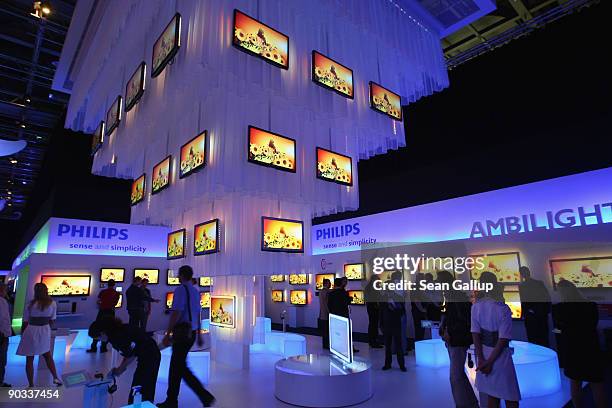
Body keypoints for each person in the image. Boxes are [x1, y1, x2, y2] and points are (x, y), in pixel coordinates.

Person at [157, 265, 215, 408]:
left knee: (178, 368)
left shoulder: (180, 290)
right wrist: (199, 334)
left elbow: (176, 313)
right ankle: (176, 400)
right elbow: (197, 313)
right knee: (179, 367)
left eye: (178, 274)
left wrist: (168, 333)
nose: (177, 277)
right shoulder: (195, 291)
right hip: (192, 333)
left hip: (182, 334)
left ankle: (200, 396)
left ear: (182, 275)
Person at [553, 280, 607, 408]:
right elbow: (593, 325)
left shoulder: (560, 308)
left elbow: (561, 328)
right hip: (591, 349)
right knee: (597, 384)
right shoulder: (591, 305)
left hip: (573, 351)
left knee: (575, 383)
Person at [471, 272, 520, 408]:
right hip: (500, 356)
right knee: (510, 395)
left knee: (492, 393)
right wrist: (490, 362)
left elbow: (475, 334)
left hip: (484, 354)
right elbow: (503, 339)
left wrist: (481, 359)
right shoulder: (503, 309)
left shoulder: (475, 307)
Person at [89, 316, 161, 404]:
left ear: (102, 333)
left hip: (149, 356)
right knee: (146, 386)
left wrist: (120, 369)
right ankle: (143, 403)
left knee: (139, 387)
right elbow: (130, 351)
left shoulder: (116, 338)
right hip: (151, 353)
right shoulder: (119, 330)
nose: (100, 341)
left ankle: (136, 404)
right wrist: (120, 368)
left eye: (98, 339)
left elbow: (130, 354)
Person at [437, 271, 478, 408]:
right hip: (454, 341)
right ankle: (471, 403)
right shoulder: (453, 297)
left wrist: (450, 332)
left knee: (455, 376)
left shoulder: (455, 298)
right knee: (459, 374)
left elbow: (463, 322)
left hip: (457, 341)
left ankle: (463, 404)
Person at [16, 283, 63, 387]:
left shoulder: (30, 304)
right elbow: (52, 320)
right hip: (45, 330)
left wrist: (22, 334)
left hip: (31, 331)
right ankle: (55, 378)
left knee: (29, 358)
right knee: (48, 356)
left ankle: (31, 384)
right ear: (46, 290)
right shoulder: (52, 303)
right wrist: (45, 327)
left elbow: (25, 321)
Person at [518, 266, 551, 347]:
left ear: (521, 274)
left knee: (532, 340)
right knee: (544, 340)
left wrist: (523, 314)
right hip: (541, 315)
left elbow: (524, 301)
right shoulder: (539, 283)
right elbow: (547, 297)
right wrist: (546, 311)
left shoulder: (522, 286)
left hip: (531, 317)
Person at [381, 271, 406, 371]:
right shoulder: (384, 297)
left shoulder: (399, 295)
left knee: (396, 344)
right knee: (389, 345)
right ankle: (389, 364)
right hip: (389, 322)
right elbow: (381, 310)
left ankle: (400, 365)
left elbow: (402, 308)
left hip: (394, 321)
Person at [87, 279, 120, 353]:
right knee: (108, 329)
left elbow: (98, 301)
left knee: (97, 328)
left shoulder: (103, 292)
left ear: (107, 284)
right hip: (111, 312)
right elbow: (115, 304)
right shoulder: (116, 293)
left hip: (102, 312)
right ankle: (103, 348)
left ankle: (94, 347)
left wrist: (102, 305)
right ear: (114, 285)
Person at [364, 275, 383, 348]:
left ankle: (372, 340)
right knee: (374, 324)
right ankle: (374, 341)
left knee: (372, 324)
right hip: (374, 308)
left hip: (371, 308)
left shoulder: (368, 287)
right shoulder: (372, 288)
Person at [0, 283, 12, 387]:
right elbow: (3, 319)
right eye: (5, 290)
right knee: (2, 359)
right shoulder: (2, 302)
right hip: (2, 335)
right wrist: (3, 334)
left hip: (3, 334)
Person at [318, 278, 331, 349]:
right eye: (329, 283)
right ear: (326, 283)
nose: (330, 284)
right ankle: (326, 345)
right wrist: (329, 312)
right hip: (326, 314)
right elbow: (326, 303)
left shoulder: (321, 291)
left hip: (323, 314)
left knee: (324, 331)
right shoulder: (326, 291)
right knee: (326, 331)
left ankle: (325, 345)